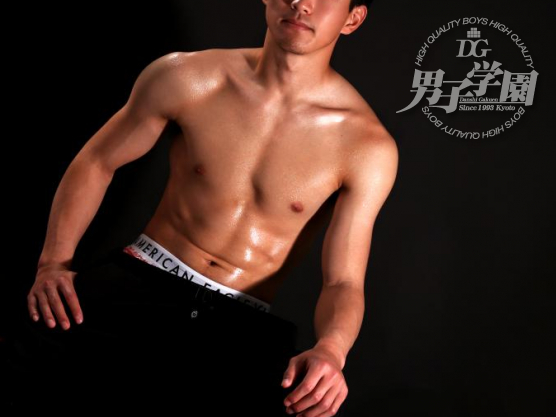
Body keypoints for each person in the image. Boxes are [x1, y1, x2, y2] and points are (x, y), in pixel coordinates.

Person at [5, 0, 398, 415]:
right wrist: (53, 262)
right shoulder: (188, 76)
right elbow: (97, 161)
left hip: (237, 328)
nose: (302, 3)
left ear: (353, 18)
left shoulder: (365, 145)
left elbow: (343, 281)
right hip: (139, 284)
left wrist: (332, 350)